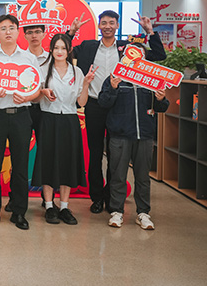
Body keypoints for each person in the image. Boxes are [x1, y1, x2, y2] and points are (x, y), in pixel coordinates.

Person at [66, 11, 166, 214]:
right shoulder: (88, 47)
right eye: (104, 23)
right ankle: (96, 198)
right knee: (95, 155)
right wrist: (72, 32)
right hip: (94, 105)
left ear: (117, 26)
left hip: (119, 108)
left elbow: (159, 55)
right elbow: (63, 50)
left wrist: (150, 32)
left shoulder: (127, 48)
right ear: (99, 26)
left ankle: (112, 198)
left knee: (116, 157)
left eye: (112, 23)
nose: (107, 26)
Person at [0, 14, 42, 230]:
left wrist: (26, 97)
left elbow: (36, 89)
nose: (8, 32)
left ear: (18, 31)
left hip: (21, 115)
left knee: (20, 166)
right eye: (3, 28)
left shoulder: (28, 58)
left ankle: (19, 211)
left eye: (12, 28)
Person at [97, 48, 169, 229]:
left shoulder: (152, 81)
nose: (135, 59)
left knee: (143, 177)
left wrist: (161, 99)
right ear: (124, 58)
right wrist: (113, 89)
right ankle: (116, 211)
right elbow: (103, 102)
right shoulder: (114, 78)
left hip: (144, 135)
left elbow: (162, 108)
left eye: (140, 56)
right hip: (120, 135)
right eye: (130, 55)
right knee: (118, 175)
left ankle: (143, 213)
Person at [32, 34, 96, 225]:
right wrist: (42, 92)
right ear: (51, 50)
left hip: (69, 120)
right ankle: (49, 206)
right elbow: (34, 98)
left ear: (69, 51)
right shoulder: (42, 69)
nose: (59, 51)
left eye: (63, 48)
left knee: (68, 162)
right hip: (48, 119)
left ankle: (65, 207)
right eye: (56, 48)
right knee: (48, 161)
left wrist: (86, 84)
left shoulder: (77, 72)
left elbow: (81, 102)